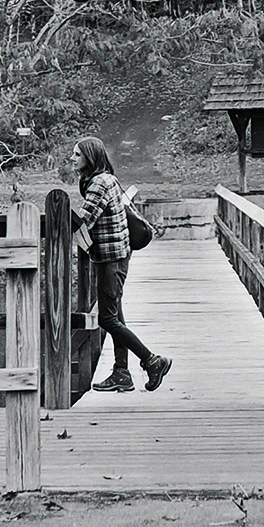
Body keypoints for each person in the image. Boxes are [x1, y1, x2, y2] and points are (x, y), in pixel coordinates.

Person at [71, 136, 172, 393]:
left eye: (77, 155)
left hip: (111, 259)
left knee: (107, 318)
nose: (72, 158)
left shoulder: (99, 183)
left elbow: (84, 221)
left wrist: (57, 228)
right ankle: (121, 372)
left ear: (90, 158)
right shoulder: (105, 179)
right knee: (115, 315)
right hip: (112, 256)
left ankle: (152, 360)